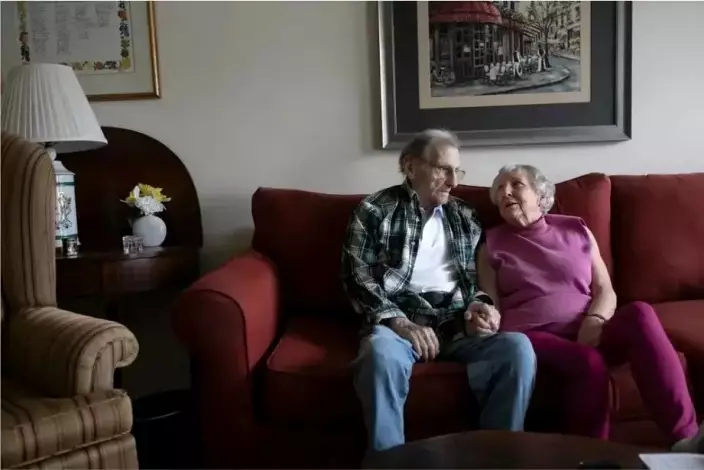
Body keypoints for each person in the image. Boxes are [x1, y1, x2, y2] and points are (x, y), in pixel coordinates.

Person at [477, 163, 704, 451]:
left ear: (540, 194)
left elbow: (605, 290)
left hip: (589, 327)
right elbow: (491, 303)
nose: (505, 192)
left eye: (516, 184)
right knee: (588, 362)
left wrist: (596, 318)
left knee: (640, 313)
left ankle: (684, 440)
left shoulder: (576, 229)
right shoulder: (491, 244)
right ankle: (590, 456)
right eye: (499, 189)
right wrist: (485, 318)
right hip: (533, 337)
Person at [340, 130, 537, 454]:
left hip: (456, 322)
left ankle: (498, 458)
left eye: (457, 171)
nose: (453, 182)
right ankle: (388, 463)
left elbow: (476, 280)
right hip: (400, 323)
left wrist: (480, 306)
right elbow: (356, 278)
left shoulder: (465, 215)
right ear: (410, 166)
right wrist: (400, 323)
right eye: (443, 169)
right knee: (378, 354)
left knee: (517, 348)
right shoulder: (375, 210)